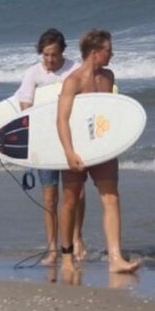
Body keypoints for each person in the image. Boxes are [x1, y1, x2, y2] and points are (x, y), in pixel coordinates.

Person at [57, 29, 141, 275]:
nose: (112, 54)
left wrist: (116, 141)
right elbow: (62, 120)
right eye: (108, 50)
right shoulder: (73, 81)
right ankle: (67, 258)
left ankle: (115, 258)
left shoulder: (108, 76)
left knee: (111, 197)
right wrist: (69, 152)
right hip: (78, 149)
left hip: (102, 149)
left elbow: (110, 112)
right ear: (95, 53)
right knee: (71, 201)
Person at [15, 28, 86, 265]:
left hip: (70, 140)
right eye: (45, 55)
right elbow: (25, 103)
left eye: (54, 55)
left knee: (76, 194)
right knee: (49, 197)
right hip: (45, 143)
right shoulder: (33, 73)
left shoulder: (75, 69)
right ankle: (52, 249)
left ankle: (77, 239)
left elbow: (86, 101)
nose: (49, 60)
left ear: (63, 51)